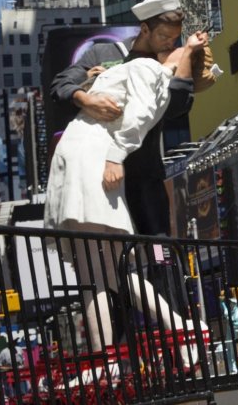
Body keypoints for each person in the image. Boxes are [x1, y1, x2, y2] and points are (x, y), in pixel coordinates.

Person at [44, 33, 210, 370]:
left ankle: (113, 361)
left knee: (99, 273)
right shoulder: (122, 60)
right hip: (95, 167)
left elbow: (136, 123)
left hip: (98, 168)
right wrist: (86, 89)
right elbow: (64, 83)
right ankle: (163, 338)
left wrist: (112, 151)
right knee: (107, 274)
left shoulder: (155, 78)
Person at [50, 0, 202, 236]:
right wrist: (86, 99)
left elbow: (178, 107)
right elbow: (61, 85)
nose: (169, 44)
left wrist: (184, 60)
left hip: (144, 174)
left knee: (159, 248)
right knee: (108, 248)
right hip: (98, 172)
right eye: (164, 36)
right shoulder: (103, 53)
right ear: (144, 29)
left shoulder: (171, 61)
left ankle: (164, 273)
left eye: (175, 38)